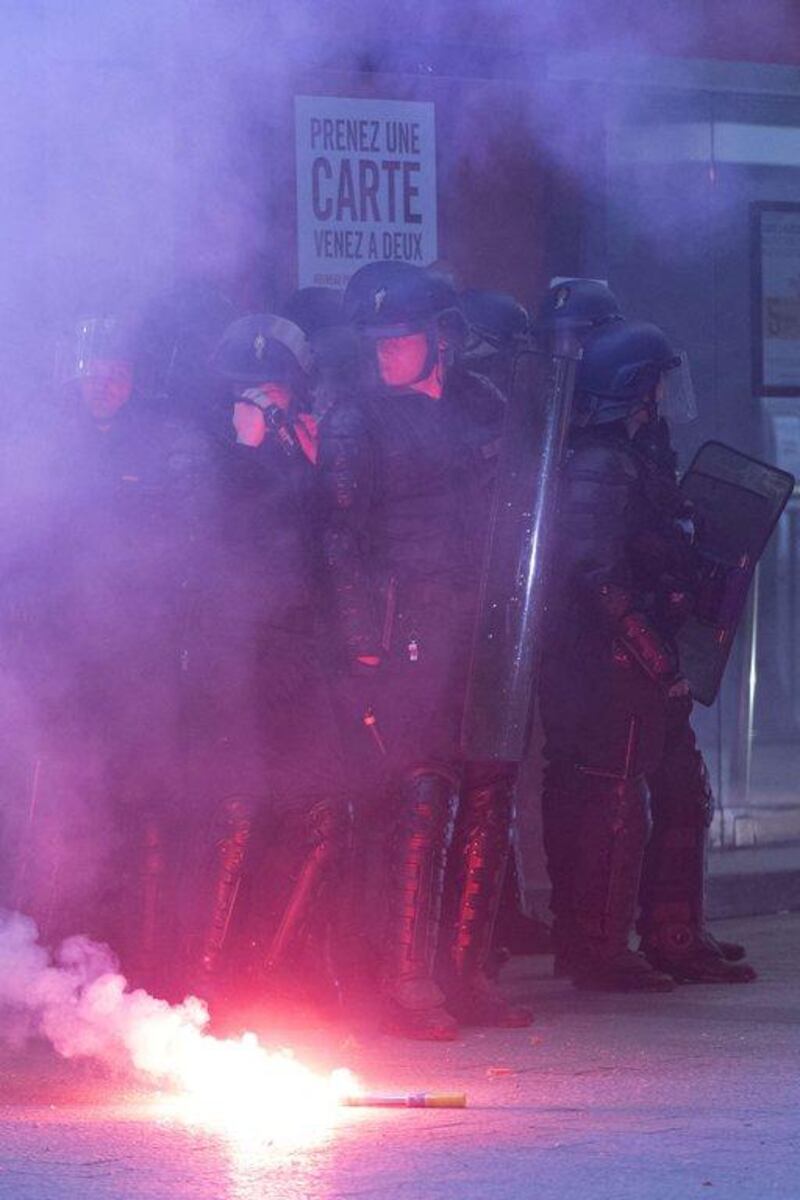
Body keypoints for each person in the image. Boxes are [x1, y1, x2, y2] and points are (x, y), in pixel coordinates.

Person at [317, 260, 533, 1039]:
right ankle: (407, 979)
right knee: (419, 796)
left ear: (442, 338)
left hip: (487, 627)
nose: (386, 351)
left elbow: (522, 508)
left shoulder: (487, 405)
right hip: (408, 633)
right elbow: (343, 539)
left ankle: (467, 975)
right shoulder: (357, 420)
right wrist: (363, 644)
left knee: (488, 793)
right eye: (378, 340)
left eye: (401, 337)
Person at [538, 318, 756, 991]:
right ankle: (598, 950)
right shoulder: (600, 463)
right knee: (611, 800)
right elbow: (594, 570)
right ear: (635, 389)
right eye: (658, 380)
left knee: (680, 793)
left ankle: (672, 932)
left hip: (641, 655)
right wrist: (652, 654)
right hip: (609, 663)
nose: (666, 392)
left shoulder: (638, 454)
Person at [185, 313, 348, 1006]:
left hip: (302, 662)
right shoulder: (210, 458)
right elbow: (212, 551)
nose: (262, 404)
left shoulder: (307, 456)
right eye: (248, 391)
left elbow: (332, 548)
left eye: (273, 391)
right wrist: (249, 454)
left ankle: (275, 974)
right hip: (235, 666)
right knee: (236, 815)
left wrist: (318, 472)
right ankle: (206, 982)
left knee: (319, 815)